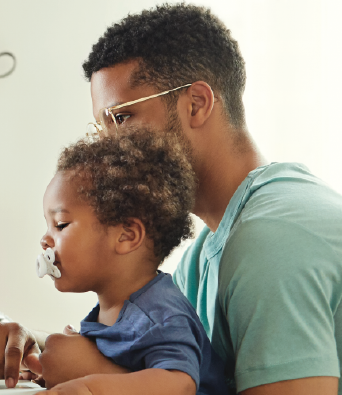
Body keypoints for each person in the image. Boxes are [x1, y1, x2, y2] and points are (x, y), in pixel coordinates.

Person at [0, 4, 342, 395]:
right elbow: (182, 374)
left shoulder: (274, 239)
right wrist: (34, 350)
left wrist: (95, 378)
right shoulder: (204, 254)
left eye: (123, 119)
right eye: (102, 126)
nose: (109, 146)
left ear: (196, 103)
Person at [27, 131, 229, 395]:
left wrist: (88, 387)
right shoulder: (112, 309)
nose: (45, 239)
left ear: (126, 235)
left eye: (61, 225)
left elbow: (179, 384)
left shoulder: (160, 312)